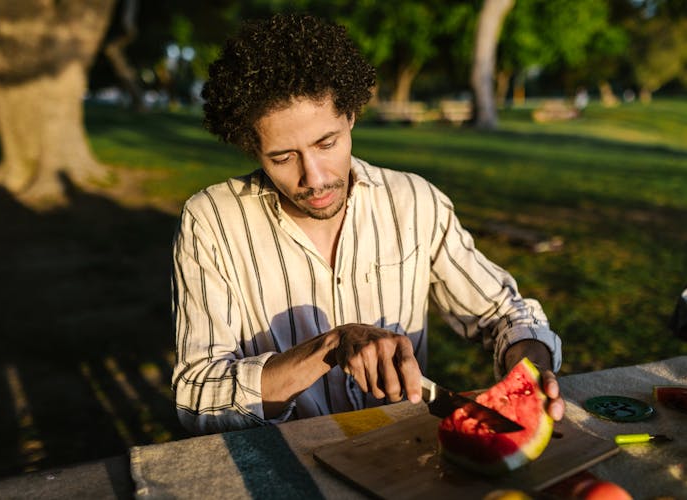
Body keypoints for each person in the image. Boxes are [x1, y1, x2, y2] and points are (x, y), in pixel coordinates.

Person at [171, 13, 565, 436]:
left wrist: (531, 372)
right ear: (251, 147)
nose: (315, 177)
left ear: (352, 116)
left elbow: (504, 312)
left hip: (399, 453)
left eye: (328, 143)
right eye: (283, 157)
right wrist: (329, 348)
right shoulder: (211, 222)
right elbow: (197, 396)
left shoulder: (414, 202)